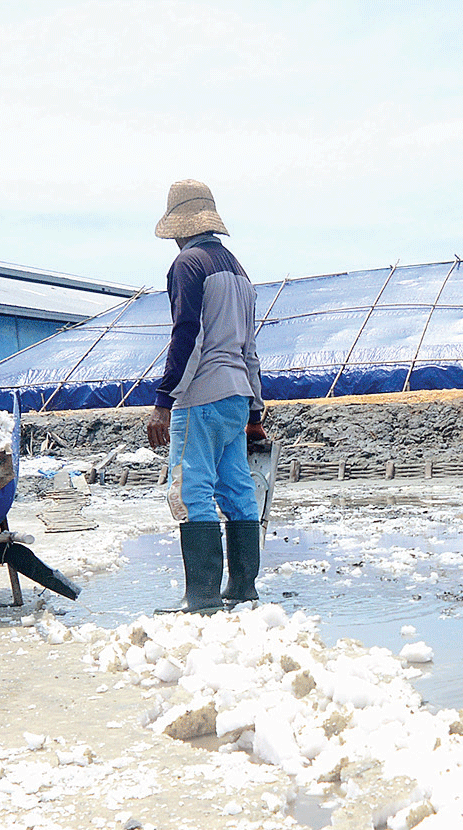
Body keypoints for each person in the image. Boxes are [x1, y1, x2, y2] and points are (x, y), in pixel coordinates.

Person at [145, 179, 266, 613]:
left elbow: (187, 337)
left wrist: (164, 400)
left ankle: (201, 597)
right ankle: (242, 589)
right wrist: (255, 409)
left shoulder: (188, 264)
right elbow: (250, 348)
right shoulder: (238, 271)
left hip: (201, 398)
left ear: (177, 226)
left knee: (192, 488)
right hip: (236, 397)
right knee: (236, 488)